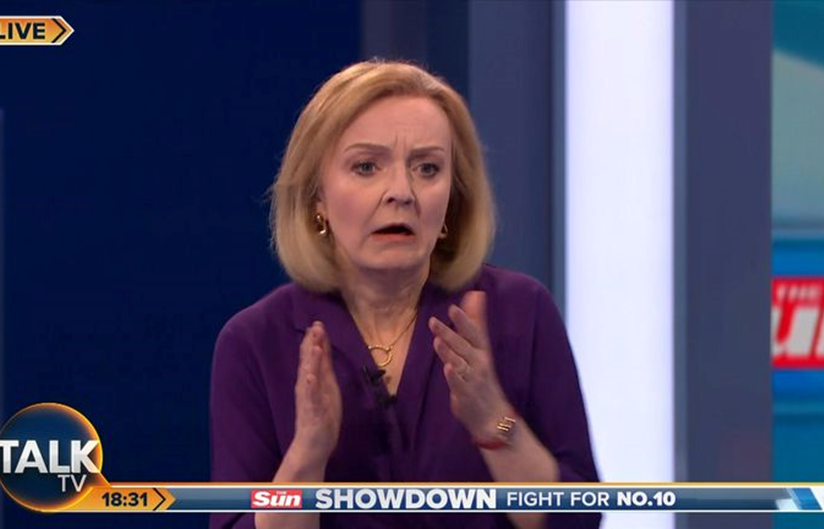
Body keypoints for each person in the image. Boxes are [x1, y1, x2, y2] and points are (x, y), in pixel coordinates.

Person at [210, 59, 600, 529]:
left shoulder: (520, 312)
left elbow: (578, 519)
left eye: (427, 168)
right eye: (366, 166)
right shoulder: (256, 342)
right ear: (317, 198)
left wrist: (496, 423)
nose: (401, 191)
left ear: (452, 198)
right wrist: (307, 458)